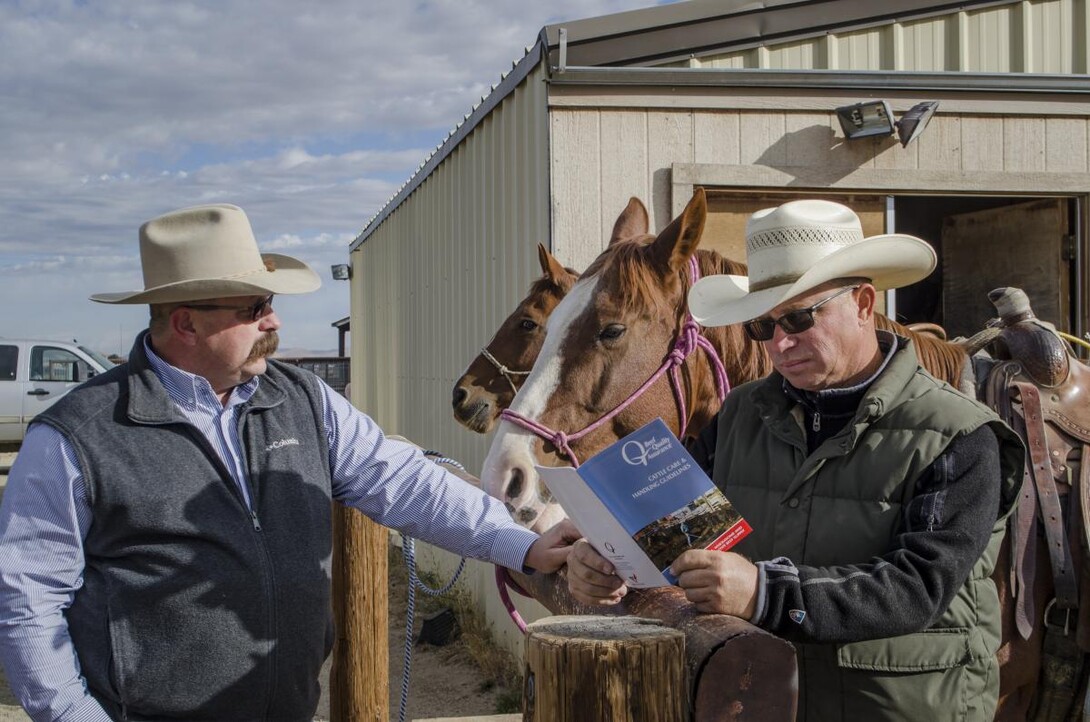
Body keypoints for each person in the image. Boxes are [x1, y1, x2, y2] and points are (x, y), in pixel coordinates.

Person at [0, 203, 578, 722]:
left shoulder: (301, 399)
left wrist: (522, 546)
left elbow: (402, 482)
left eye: (270, 304)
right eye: (255, 307)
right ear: (185, 323)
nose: (274, 322)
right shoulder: (76, 437)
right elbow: (27, 602)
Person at [566, 199, 1024, 721]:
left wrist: (764, 592)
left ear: (864, 303)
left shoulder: (960, 435)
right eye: (764, 327)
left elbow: (918, 587)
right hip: (763, 702)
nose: (780, 344)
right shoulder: (739, 414)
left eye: (800, 318)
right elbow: (679, 533)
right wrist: (611, 561)